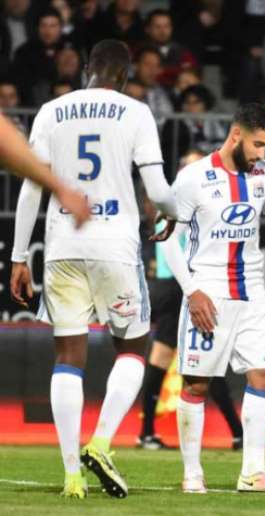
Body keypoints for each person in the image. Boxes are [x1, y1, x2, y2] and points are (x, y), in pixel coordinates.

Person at [9, 39, 178, 499]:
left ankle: (71, 477)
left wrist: (19, 256)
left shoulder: (51, 110)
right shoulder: (136, 111)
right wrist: (175, 212)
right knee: (132, 349)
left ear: (87, 68)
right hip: (115, 246)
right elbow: (159, 190)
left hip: (63, 244)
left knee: (68, 357)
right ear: (124, 76)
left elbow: (31, 189)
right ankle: (101, 443)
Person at [161, 103, 265, 494]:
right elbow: (169, 240)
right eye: (258, 145)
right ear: (236, 135)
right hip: (208, 292)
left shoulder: (264, 176)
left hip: (253, 292)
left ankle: (253, 471)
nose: (262, 154)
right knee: (196, 383)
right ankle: (192, 472)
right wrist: (192, 292)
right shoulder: (192, 179)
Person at [137, 149, 245, 452]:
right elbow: (172, 245)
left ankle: (146, 432)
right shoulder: (186, 195)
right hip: (178, 287)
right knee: (204, 359)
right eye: (192, 162)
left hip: (171, 285)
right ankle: (237, 433)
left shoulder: (173, 196)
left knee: (175, 357)